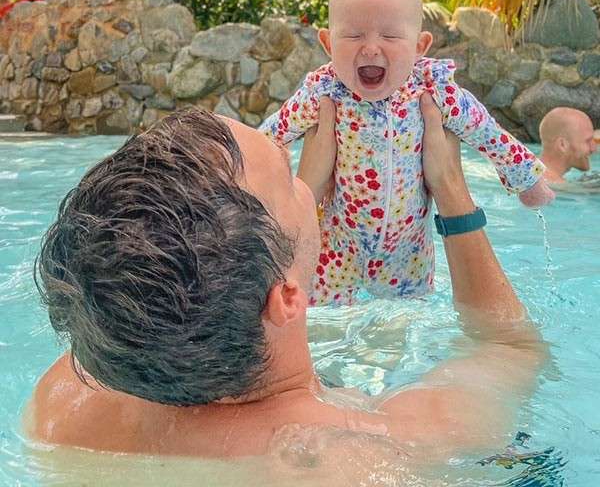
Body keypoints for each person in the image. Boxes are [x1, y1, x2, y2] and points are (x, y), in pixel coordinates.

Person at [27, 96, 546, 474]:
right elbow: (511, 345)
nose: (304, 183)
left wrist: (290, 220)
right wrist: (452, 189)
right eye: (286, 172)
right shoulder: (370, 448)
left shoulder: (65, 400)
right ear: (287, 298)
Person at [261, 0, 554, 306]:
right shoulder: (324, 92)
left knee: (403, 327)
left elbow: (484, 130)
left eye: (389, 36)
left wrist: (527, 178)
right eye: (353, 36)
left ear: (420, 46)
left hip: (409, 257)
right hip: (336, 253)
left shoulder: (432, 90)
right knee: (324, 319)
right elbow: (273, 136)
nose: (371, 48)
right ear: (328, 43)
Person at [539, 107, 599, 190]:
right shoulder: (555, 188)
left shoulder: (531, 174)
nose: (594, 149)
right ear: (563, 145)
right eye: (587, 141)